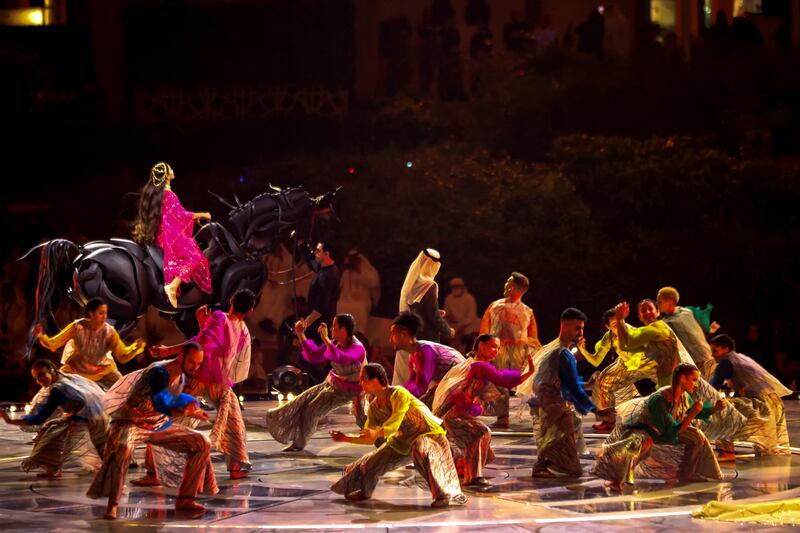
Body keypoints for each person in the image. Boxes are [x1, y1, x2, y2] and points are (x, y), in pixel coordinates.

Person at [87, 342, 217, 520]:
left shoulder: (180, 375)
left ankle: (186, 499)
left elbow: (173, 396)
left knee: (202, 442)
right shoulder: (159, 372)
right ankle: (113, 505)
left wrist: (190, 404)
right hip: (132, 422)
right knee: (123, 449)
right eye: (192, 362)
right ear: (181, 357)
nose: (195, 367)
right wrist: (182, 409)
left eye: (198, 363)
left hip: (157, 424)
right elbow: (161, 401)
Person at [150, 288, 256, 479]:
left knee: (177, 418)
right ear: (251, 311)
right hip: (214, 381)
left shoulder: (222, 318)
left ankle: (155, 467)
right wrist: (203, 325)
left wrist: (168, 351)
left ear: (231, 300)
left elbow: (206, 344)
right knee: (233, 424)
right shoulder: (241, 329)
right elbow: (208, 345)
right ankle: (236, 466)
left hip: (205, 379)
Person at [329, 363, 466, 508]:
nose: (360, 382)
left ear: (376, 380)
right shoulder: (374, 407)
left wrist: (378, 432)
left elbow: (395, 420)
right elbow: (369, 438)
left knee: (421, 450)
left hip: (429, 435)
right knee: (370, 463)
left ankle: (442, 495)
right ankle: (365, 491)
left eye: (364, 379)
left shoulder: (399, 393)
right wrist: (346, 438)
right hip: (403, 441)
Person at [614, 300, 748, 446]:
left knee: (685, 418)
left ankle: (722, 447)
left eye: (650, 309)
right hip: (666, 382)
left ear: (657, 312)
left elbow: (630, 340)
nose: (647, 312)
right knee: (678, 419)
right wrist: (620, 322)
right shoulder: (649, 336)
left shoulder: (658, 328)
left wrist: (621, 320)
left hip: (676, 380)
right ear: (639, 316)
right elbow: (625, 346)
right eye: (643, 311)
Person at [592, 363, 725, 490]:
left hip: (665, 431)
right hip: (646, 431)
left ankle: (687, 473)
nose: (696, 385)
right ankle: (618, 478)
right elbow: (670, 433)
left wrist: (714, 409)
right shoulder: (660, 399)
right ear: (683, 378)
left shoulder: (684, 397)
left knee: (697, 436)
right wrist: (693, 413)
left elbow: (695, 412)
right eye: (694, 380)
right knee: (638, 444)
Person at [432, 334, 535, 486]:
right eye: (493, 346)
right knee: (480, 432)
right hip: (452, 414)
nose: (496, 351)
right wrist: (529, 372)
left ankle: (463, 468)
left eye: (499, 348)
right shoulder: (479, 366)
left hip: (454, 412)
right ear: (481, 346)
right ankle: (472, 476)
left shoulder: (471, 364)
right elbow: (503, 380)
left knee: (481, 433)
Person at [529, 308, 613, 477]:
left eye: (582, 328)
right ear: (564, 326)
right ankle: (542, 465)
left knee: (567, 427)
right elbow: (572, 387)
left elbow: (563, 381)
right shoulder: (562, 352)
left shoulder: (554, 348)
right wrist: (596, 410)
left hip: (548, 402)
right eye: (577, 328)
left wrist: (587, 384)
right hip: (551, 404)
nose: (581, 332)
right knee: (568, 458)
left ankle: (544, 465)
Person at [264, 313, 366, 451]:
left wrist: (325, 338)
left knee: (363, 420)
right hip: (334, 385)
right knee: (303, 405)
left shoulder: (358, 347)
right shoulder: (335, 343)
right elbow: (313, 355)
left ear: (344, 329)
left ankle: (383, 438)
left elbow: (342, 358)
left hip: (354, 390)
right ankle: (298, 443)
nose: (331, 329)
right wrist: (301, 334)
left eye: (334, 326)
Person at [1, 359, 107, 478]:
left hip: (89, 418)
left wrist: (9, 420)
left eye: (41, 375)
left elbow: (39, 418)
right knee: (54, 432)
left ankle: (112, 472)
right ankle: (54, 469)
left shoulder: (58, 389)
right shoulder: (68, 377)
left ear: (52, 370)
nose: (39, 381)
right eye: (36, 378)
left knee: (51, 436)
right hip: (97, 415)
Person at [132, 162, 212, 308]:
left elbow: (173, 216)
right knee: (195, 257)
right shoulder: (169, 194)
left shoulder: (161, 194)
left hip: (162, 235)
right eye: (170, 168)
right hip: (170, 238)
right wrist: (203, 214)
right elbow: (181, 215)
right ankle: (173, 286)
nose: (172, 169)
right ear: (167, 175)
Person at [34, 297, 145, 390]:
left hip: (104, 372)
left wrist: (135, 348)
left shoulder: (109, 332)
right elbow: (53, 344)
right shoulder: (77, 327)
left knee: (124, 390)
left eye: (105, 313)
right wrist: (41, 336)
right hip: (76, 371)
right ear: (91, 313)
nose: (105, 317)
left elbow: (122, 356)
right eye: (101, 313)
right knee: (56, 388)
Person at [708, 334, 791, 456]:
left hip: (761, 406)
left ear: (725, 349)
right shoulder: (740, 358)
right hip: (775, 404)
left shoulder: (726, 362)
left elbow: (711, 388)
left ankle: (725, 453)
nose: (712, 355)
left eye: (715, 351)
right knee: (730, 405)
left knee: (721, 410)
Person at [479, 272, 541, 428]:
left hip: (520, 354)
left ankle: (538, 415)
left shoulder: (527, 311)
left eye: (508, 283)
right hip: (497, 351)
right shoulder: (494, 306)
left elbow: (533, 337)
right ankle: (503, 417)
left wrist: (537, 353)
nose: (505, 285)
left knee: (530, 384)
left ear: (514, 288)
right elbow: (484, 331)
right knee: (498, 382)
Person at [578, 309, 656, 432]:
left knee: (666, 384)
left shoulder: (631, 332)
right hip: (626, 364)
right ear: (607, 327)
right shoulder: (609, 336)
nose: (620, 328)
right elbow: (596, 360)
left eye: (621, 322)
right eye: (615, 325)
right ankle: (609, 420)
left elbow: (639, 354)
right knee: (603, 381)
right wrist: (582, 350)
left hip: (646, 361)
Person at [391, 311, 465, 407]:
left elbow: (422, 386)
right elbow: (413, 382)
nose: (391, 339)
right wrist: (396, 395)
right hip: (448, 385)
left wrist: (400, 399)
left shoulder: (426, 351)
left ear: (403, 334)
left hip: (460, 383)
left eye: (393, 334)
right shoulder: (413, 355)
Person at [657, 287, 717, 378]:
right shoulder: (666, 323)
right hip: (693, 362)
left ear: (671, 302)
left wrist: (710, 330)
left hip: (706, 356)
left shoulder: (687, 311)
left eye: (660, 302)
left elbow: (699, 327)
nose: (657, 304)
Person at [399, 248, 453, 343]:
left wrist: (436, 311)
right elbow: (433, 316)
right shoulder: (429, 285)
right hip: (427, 339)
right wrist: (448, 331)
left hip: (413, 335)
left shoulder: (412, 283)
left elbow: (416, 309)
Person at [303, 242, 341, 343]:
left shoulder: (329, 275)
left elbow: (321, 306)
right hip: (315, 324)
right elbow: (311, 261)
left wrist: (306, 323)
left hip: (319, 326)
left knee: (310, 355)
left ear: (326, 254)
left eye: (318, 251)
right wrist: (302, 245)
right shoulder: (323, 268)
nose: (315, 252)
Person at [337, 249, 380, 334]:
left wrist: (359, 271)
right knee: (339, 305)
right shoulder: (346, 273)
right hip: (346, 300)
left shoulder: (367, 271)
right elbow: (340, 286)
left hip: (362, 301)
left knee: (359, 308)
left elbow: (374, 284)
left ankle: (359, 335)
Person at [443, 277, 480, 352]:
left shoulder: (469, 298)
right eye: (453, 287)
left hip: (469, 324)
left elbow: (471, 317)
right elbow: (446, 313)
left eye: (457, 286)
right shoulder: (449, 298)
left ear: (462, 287)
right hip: (454, 324)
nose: (456, 289)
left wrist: (460, 327)